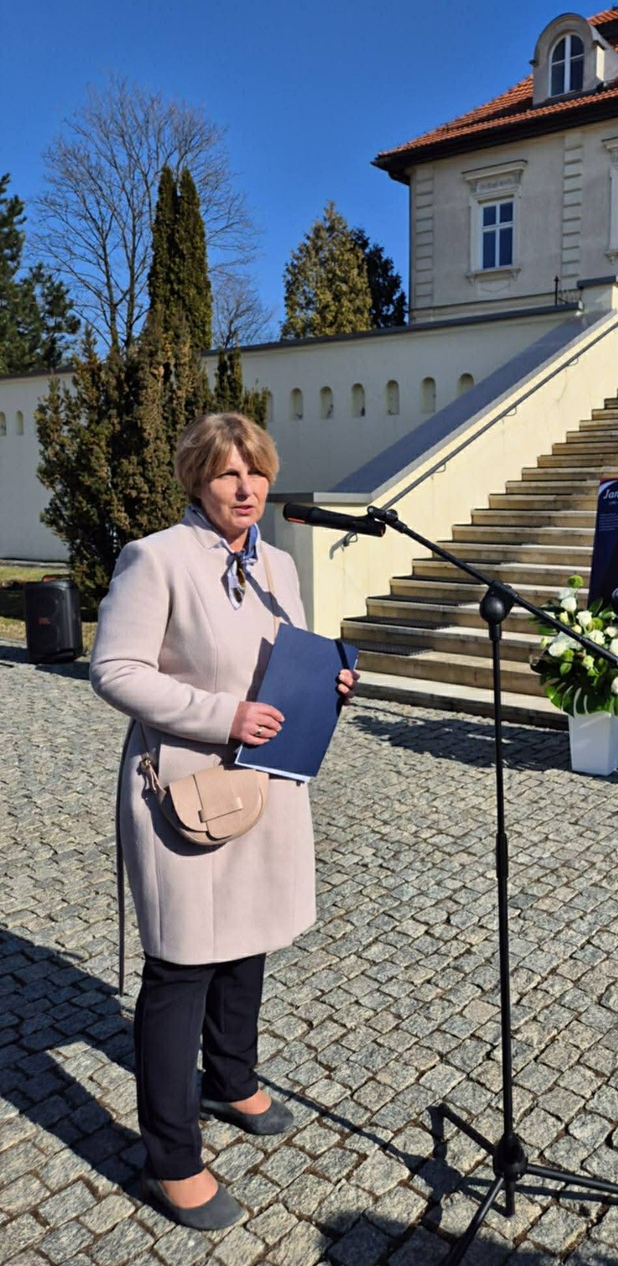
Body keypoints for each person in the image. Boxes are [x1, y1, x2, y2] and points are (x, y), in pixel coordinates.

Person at [90, 412, 356, 1230]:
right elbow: (114, 668)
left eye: (257, 472)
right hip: (189, 791)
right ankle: (170, 1156)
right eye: (227, 473)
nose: (246, 488)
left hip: (267, 788)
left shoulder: (278, 561)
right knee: (181, 968)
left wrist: (329, 683)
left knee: (249, 939)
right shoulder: (157, 558)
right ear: (196, 482)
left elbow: (289, 656)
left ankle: (231, 1076)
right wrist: (221, 715)